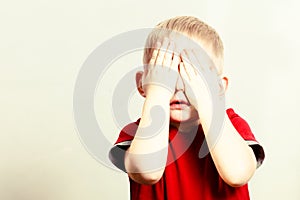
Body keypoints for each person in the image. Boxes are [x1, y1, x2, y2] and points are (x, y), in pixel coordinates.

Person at [109, 16, 265, 200]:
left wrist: (208, 100)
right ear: (143, 84)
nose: (180, 87)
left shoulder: (232, 127)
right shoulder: (138, 134)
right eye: (167, 75)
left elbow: (237, 174)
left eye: (192, 76)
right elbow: (147, 172)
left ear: (219, 88)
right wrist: (158, 92)